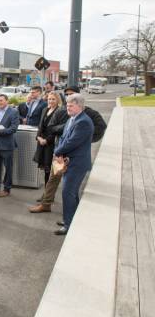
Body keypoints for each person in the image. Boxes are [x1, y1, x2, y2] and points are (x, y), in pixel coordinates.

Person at [32, 86, 106, 215]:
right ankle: (46, 204)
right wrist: (67, 128)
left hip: (74, 156)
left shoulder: (88, 112)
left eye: (72, 94)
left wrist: (86, 139)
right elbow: (51, 127)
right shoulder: (61, 111)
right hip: (60, 153)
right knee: (53, 179)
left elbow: (101, 125)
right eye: (66, 94)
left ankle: (71, 216)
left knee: (70, 189)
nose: (68, 97)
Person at [52, 93, 94, 235]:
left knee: (67, 193)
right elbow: (64, 138)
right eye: (67, 105)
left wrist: (57, 152)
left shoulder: (83, 122)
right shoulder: (73, 118)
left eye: (71, 105)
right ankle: (71, 219)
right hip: (70, 162)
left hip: (77, 164)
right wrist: (59, 152)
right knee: (71, 193)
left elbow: (72, 142)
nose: (67, 108)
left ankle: (68, 225)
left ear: (80, 106)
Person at [32, 91, 65, 187]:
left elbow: (57, 130)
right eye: (49, 99)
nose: (51, 101)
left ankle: (47, 195)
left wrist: (46, 140)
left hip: (51, 144)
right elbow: (40, 125)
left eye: (53, 99)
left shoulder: (60, 111)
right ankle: (46, 193)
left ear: (57, 100)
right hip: (41, 142)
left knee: (50, 169)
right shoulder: (44, 110)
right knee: (45, 170)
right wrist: (38, 137)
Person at [0, 94, 19, 197]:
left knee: (8, 168)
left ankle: (7, 189)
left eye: (1, 100)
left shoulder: (13, 112)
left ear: (7, 101)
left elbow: (14, 128)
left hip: (7, 145)